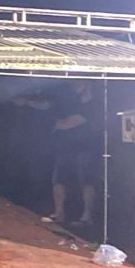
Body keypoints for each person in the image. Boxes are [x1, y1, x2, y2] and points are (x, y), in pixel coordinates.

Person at [44, 81, 103, 228]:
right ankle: (59, 213)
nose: (75, 87)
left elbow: (68, 123)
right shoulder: (73, 103)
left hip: (86, 148)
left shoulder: (95, 105)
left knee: (86, 181)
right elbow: (59, 120)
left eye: (79, 84)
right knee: (59, 179)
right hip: (66, 147)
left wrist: (62, 123)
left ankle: (86, 217)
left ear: (88, 85)